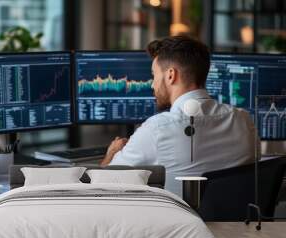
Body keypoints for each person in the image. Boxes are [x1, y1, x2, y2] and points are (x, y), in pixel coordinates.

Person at [100, 35, 257, 197]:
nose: (153, 84)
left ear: (170, 75)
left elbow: (103, 184)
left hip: (177, 221)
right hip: (236, 221)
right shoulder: (244, 120)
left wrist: (111, 154)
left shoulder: (156, 129)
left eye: (154, 75)